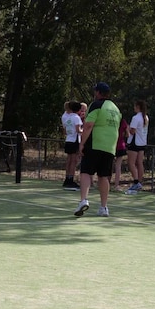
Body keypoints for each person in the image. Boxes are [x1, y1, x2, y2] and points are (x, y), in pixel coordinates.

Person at [75, 82, 122, 217]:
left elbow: (89, 125)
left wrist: (82, 143)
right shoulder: (115, 108)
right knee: (103, 176)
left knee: (85, 171)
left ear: (98, 93)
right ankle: (103, 207)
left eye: (96, 91)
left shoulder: (96, 105)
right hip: (110, 146)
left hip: (95, 143)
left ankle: (83, 200)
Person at [125, 100, 149, 194]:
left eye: (135, 106)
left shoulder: (136, 118)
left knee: (131, 163)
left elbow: (132, 131)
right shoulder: (145, 117)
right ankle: (139, 181)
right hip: (142, 142)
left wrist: (127, 128)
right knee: (139, 163)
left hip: (134, 142)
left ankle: (136, 181)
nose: (134, 108)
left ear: (138, 107)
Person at [61, 100, 82, 190]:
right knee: (73, 161)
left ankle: (67, 178)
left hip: (68, 140)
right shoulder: (76, 118)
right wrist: (84, 131)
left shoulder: (68, 117)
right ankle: (71, 180)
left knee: (69, 160)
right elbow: (78, 130)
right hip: (74, 140)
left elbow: (64, 131)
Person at [113, 116, 129, 191]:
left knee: (109, 165)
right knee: (118, 166)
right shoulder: (123, 122)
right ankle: (116, 185)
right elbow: (128, 134)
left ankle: (106, 183)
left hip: (111, 145)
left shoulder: (111, 121)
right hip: (120, 145)